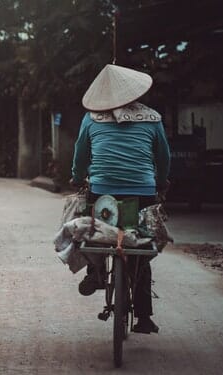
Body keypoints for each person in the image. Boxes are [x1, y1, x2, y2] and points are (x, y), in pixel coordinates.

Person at [70, 64, 171, 334]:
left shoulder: (92, 118)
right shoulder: (153, 118)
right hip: (144, 193)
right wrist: (161, 183)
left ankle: (95, 272)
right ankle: (144, 317)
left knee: (91, 232)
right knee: (141, 246)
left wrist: (77, 177)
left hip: (102, 191)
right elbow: (163, 158)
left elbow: (80, 155)